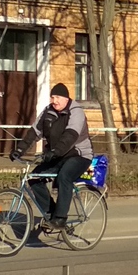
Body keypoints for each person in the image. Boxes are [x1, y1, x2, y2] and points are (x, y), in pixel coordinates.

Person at [9, 83, 93, 230]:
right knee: (34, 178)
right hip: (58, 155)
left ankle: (60, 219)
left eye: (58, 97)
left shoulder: (76, 111)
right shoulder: (48, 111)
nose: (54, 101)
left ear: (66, 98)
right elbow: (34, 132)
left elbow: (70, 135)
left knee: (64, 176)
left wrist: (55, 151)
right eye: (52, 97)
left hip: (79, 154)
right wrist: (19, 150)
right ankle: (51, 213)